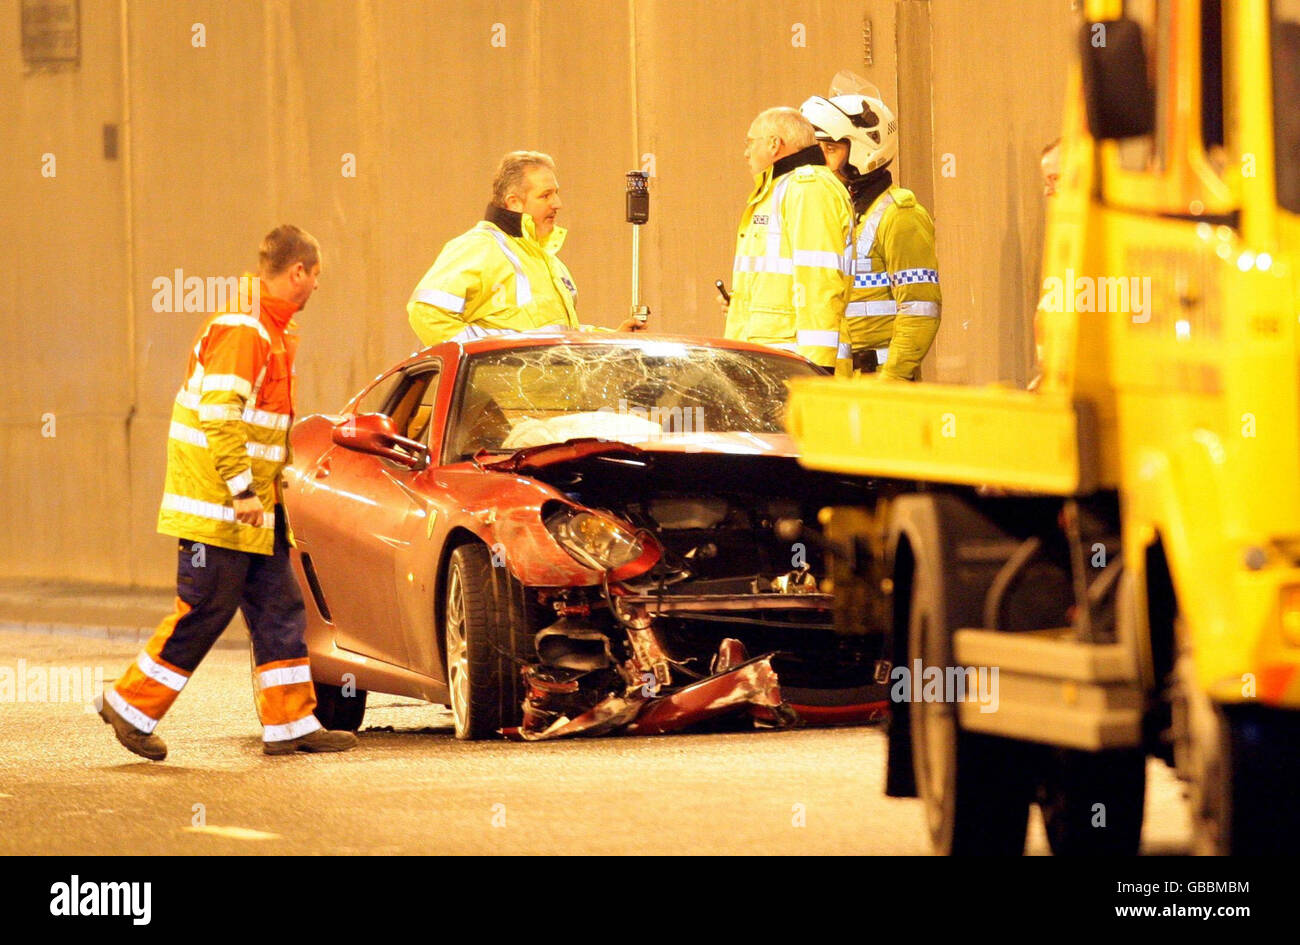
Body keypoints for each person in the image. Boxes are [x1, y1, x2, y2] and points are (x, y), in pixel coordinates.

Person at [97, 225, 357, 760]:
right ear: (297, 272)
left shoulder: (269, 328)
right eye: (315, 277)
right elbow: (220, 415)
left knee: (279, 608)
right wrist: (241, 490)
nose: (316, 288)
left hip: (255, 508)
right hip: (221, 505)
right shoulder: (245, 329)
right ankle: (129, 705)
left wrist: (263, 495)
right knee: (204, 609)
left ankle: (290, 724)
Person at [408, 150, 642, 345]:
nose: (557, 204)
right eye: (546, 195)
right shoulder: (479, 248)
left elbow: (556, 338)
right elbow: (426, 314)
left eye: (556, 194)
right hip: (504, 400)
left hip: (549, 398)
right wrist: (489, 357)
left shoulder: (547, 260)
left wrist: (612, 339)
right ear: (514, 203)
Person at [800, 93, 941, 381]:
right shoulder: (837, 214)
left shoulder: (901, 215)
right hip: (836, 381)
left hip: (876, 381)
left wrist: (891, 382)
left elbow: (920, 308)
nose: (820, 161)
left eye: (830, 149)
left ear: (861, 153)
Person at [724, 107, 853, 374]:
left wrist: (818, 368)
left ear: (774, 144)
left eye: (751, 142)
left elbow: (819, 280)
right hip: (768, 357)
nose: (746, 153)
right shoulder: (779, 190)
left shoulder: (808, 189)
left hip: (792, 362)